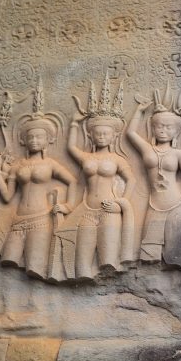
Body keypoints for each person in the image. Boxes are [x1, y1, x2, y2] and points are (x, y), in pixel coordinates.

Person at [0, 84, 77, 280]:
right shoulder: (18, 166)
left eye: (39, 136)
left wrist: (68, 206)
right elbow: (6, 196)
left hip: (41, 218)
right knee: (8, 261)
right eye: (30, 136)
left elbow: (72, 181)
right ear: (24, 140)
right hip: (19, 219)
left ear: (48, 140)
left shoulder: (50, 164)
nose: (34, 140)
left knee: (35, 267)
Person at [56, 76, 135, 279]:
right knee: (82, 262)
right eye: (97, 133)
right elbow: (71, 148)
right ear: (91, 135)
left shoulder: (117, 159)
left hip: (109, 209)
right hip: (87, 210)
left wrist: (121, 203)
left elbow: (131, 180)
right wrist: (74, 123)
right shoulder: (86, 157)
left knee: (108, 260)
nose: (101, 136)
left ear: (113, 136)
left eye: (105, 133)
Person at [127, 84, 181, 269]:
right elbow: (130, 133)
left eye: (169, 127)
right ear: (153, 128)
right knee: (149, 254)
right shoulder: (147, 149)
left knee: (173, 257)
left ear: (177, 131)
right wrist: (139, 110)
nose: (163, 130)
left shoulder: (179, 154)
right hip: (154, 205)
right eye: (159, 126)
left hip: (176, 205)